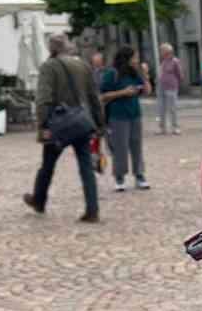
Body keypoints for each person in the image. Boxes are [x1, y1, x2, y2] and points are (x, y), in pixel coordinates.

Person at [23, 34, 105, 223]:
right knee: (86, 166)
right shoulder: (82, 65)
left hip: (59, 124)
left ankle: (39, 200)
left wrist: (42, 124)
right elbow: (94, 97)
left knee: (47, 165)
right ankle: (92, 209)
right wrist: (99, 123)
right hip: (82, 122)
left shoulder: (49, 66)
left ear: (51, 48)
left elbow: (44, 98)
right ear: (67, 47)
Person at [101, 47, 152, 192]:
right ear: (126, 59)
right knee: (120, 148)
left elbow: (147, 91)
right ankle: (119, 177)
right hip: (118, 116)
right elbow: (102, 96)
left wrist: (145, 75)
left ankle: (139, 175)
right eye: (134, 58)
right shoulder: (112, 74)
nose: (137, 60)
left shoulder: (135, 73)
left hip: (135, 114)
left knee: (137, 146)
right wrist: (122, 92)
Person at [158, 43, 184, 135]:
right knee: (161, 108)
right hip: (161, 86)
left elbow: (180, 75)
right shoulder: (163, 61)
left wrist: (176, 84)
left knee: (172, 108)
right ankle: (162, 128)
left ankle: (175, 127)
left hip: (171, 87)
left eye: (161, 50)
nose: (160, 52)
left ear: (166, 51)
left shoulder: (175, 61)